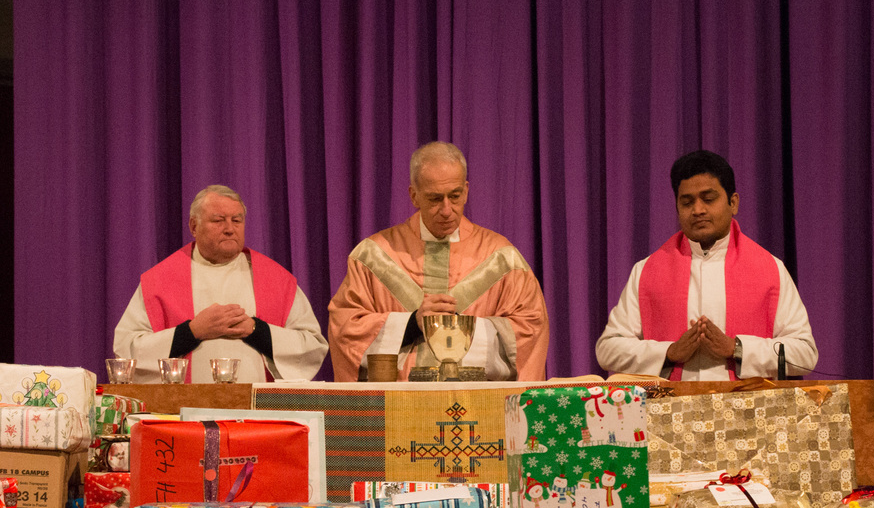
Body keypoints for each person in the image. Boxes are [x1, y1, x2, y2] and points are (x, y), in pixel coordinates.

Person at [327, 142, 549, 381]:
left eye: (454, 196)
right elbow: (345, 329)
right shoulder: (373, 256)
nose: (446, 210)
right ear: (414, 195)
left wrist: (464, 333)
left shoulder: (503, 259)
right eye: (435, 198)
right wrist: (410, 323)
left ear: (465, 191)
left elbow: (531, 329)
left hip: (477, 407)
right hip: (397, 407)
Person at [596, 150, 817, 380]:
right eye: (687, 202)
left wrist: (737, 349)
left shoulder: (771, 269)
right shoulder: (646, 271)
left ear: (733, 203)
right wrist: (668, 352)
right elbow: (609, 349)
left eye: (708, 199)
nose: (698, 210)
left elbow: (805, 354)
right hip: (669, 411)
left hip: (747, 412)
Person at [113, 185, 327, 383]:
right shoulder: (160, 280)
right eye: (218, 220)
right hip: (182, 414)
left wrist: (256, 330)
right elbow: (128, 350)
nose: (229, 228)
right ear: (194, 226)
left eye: (237, 220)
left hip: (258, 416)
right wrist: (191, 332)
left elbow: (312, 346)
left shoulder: (277, 280)